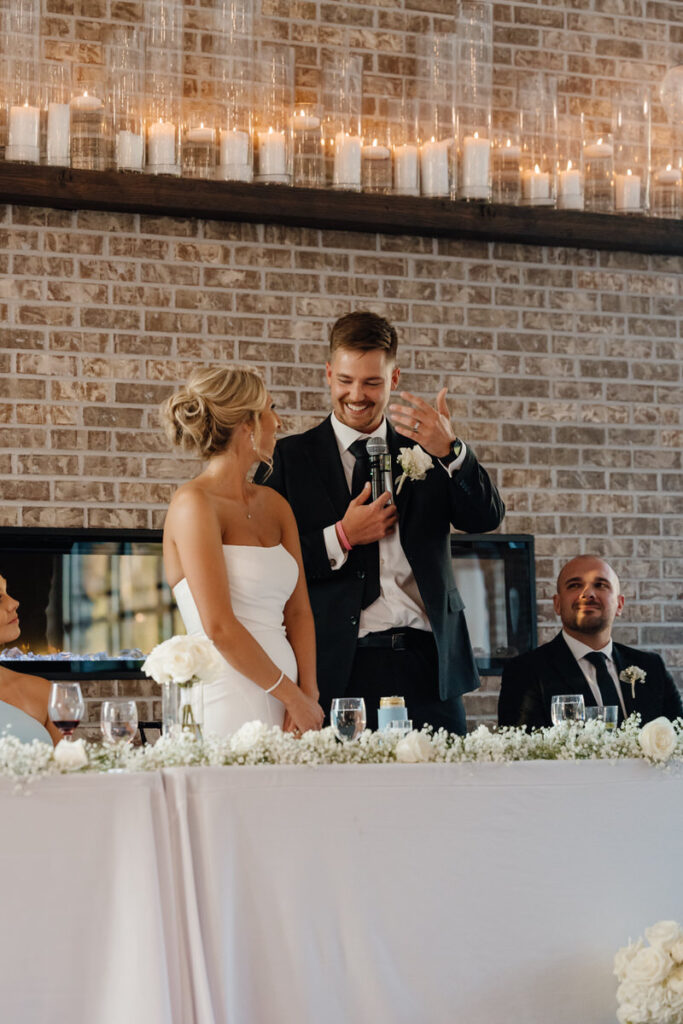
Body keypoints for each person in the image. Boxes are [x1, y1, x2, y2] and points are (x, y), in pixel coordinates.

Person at [254, 311, 505, 733]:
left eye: (372, 382)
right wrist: (342, 536)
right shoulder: (288, 459)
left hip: (428, 666)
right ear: (329, 374)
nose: (357, 395)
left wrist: (452, 452)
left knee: (444, 796)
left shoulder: (428, 449)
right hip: (335, 667)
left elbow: (485, 518)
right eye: (346, 381)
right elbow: (268, 564)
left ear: (393, 378)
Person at [161, 365, 324, 737]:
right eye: (270, 409)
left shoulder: (276, 505)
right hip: (226, 695)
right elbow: (218, 626)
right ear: (247, 425)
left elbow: (299, 612)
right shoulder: (194, 504)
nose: (278, 422)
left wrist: (308, 693)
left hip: (292, 703)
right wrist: (291, 696)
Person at [498, 554, 683, 729]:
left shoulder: (651, 667)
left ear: (619, 604)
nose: (587, 594)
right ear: (557, 604)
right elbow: (519, 754)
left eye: (601, 585)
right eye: (574, 585)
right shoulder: (525, 671)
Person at [0, 574, 61, 745]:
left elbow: (70, 768)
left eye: (7, 592)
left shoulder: (45, 693)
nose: (14, 603)